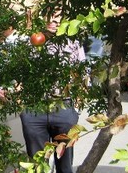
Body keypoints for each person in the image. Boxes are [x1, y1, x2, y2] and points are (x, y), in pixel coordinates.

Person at [19, 11, 85, 173]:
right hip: (34, 109)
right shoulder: (29, 42)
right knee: (36, 166)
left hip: (63, 107)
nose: (53, 20)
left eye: (57, 17)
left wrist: (76, 110)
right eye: (49, 15)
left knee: (65, 165)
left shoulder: (73, 43)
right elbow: (17, 73)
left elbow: (83, 76)